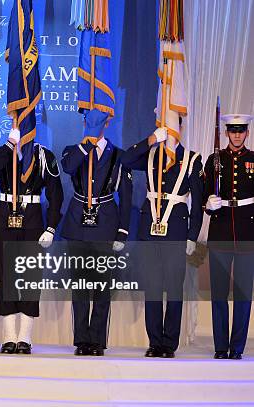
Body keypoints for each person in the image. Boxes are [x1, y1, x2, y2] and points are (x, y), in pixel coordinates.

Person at [121, 122, 203, 358]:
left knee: (175, 288)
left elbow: (197, 203)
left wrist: (192, 235)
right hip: (150, 229)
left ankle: (169, 343)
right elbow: (126, 160)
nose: (167, 129)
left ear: (180, 127)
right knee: (153, 287)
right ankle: (155, 342)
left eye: (171, 124)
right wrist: (150, 140)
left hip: (176, 229)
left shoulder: (191, 159)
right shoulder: (150, 154)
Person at [0, 125, 63, 355]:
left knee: (30, 278)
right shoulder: (3, 152)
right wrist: (10, 145)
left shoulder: (44, 156)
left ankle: (25, 337)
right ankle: (8, 337)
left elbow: (56, 193)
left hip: (32, 219)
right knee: (6, 276)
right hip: (5, 216)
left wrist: (51, 226)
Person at [61, 109, 132, 356]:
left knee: (102, 287)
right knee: (79, 286)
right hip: (78, 224)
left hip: (105, 224)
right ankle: (81, 339)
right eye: (89, 121)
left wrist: (122, 231)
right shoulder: (73, 150)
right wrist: (86, 145)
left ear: (107, 123)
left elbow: (126, 196)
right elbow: (69, 168)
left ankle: (97, 339)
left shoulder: (120, 156)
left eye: (97, 122)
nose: (93, 125)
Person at [203, 114, 254, 360]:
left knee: (244, 294)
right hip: (220, 229)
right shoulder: (214, 160)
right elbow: (204, 194)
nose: (236, 135)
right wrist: (208, 204)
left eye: (241, 130)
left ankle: (237, 348)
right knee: (219, 293)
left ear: (247, 133)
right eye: (232, 130)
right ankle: (221, 347)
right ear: (226, 133)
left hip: (247, 232)